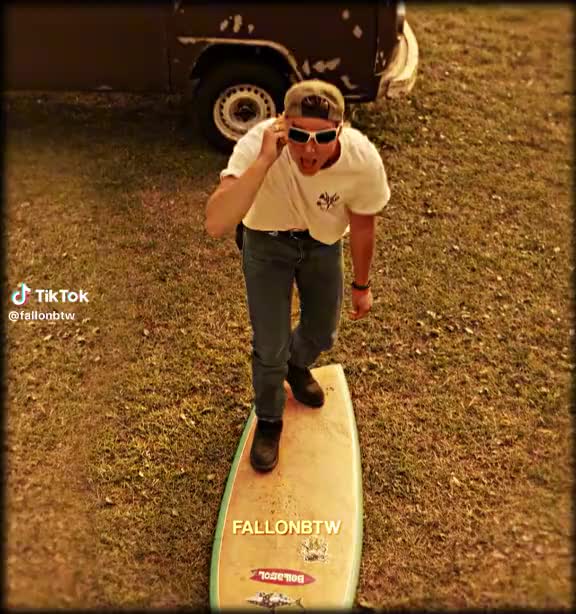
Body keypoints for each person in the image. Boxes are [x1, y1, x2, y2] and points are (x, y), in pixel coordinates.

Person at [205, 79, 390, 472]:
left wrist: (362, 284)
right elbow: (217, 222)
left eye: (323, 136)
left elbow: (361, 226)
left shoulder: (362, 159)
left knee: (323, 330)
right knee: (269, 345)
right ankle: (270, 419)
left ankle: (294, 363)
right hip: (266, 242)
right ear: (281, 124)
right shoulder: (258, 143)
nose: (309, 148)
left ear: (341, 130)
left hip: (322, 243)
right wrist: (265, 161)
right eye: (298, 134)